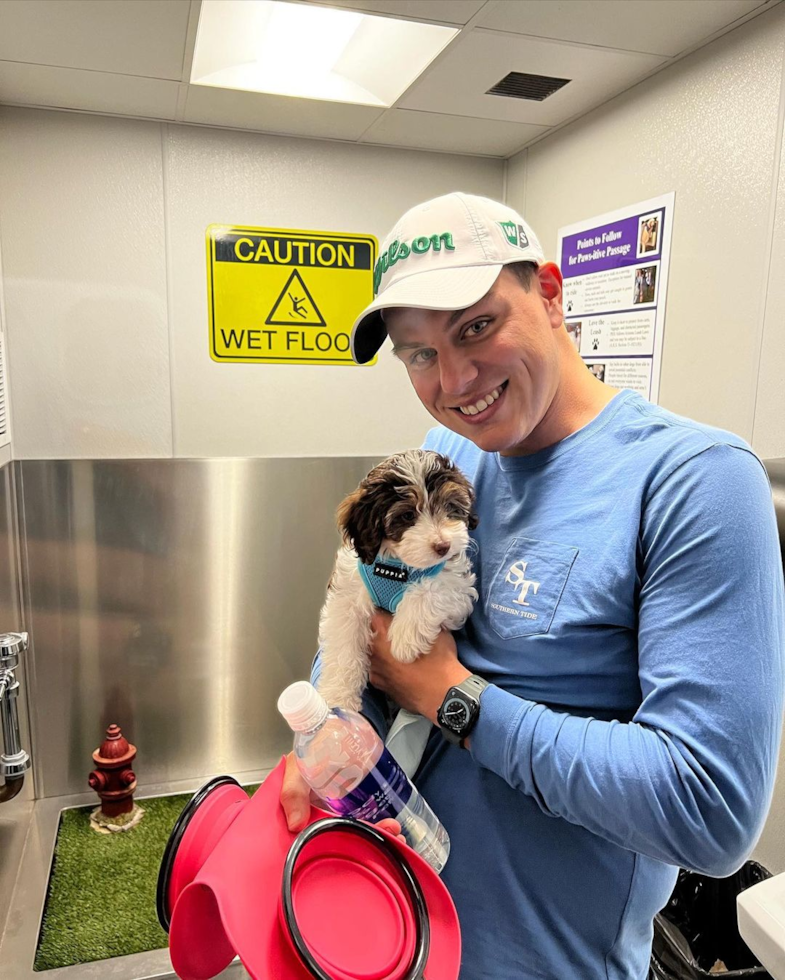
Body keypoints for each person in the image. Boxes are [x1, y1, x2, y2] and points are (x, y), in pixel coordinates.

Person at [280, 193, 784, 980]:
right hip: (393, 929)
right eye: (416, 353)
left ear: (550, 293)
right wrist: (326, 727)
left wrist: (449, 694)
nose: (453, 378)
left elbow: (709, 810)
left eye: (476, 326)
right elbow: (373, 597)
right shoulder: (452, 447)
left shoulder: (695, 483)